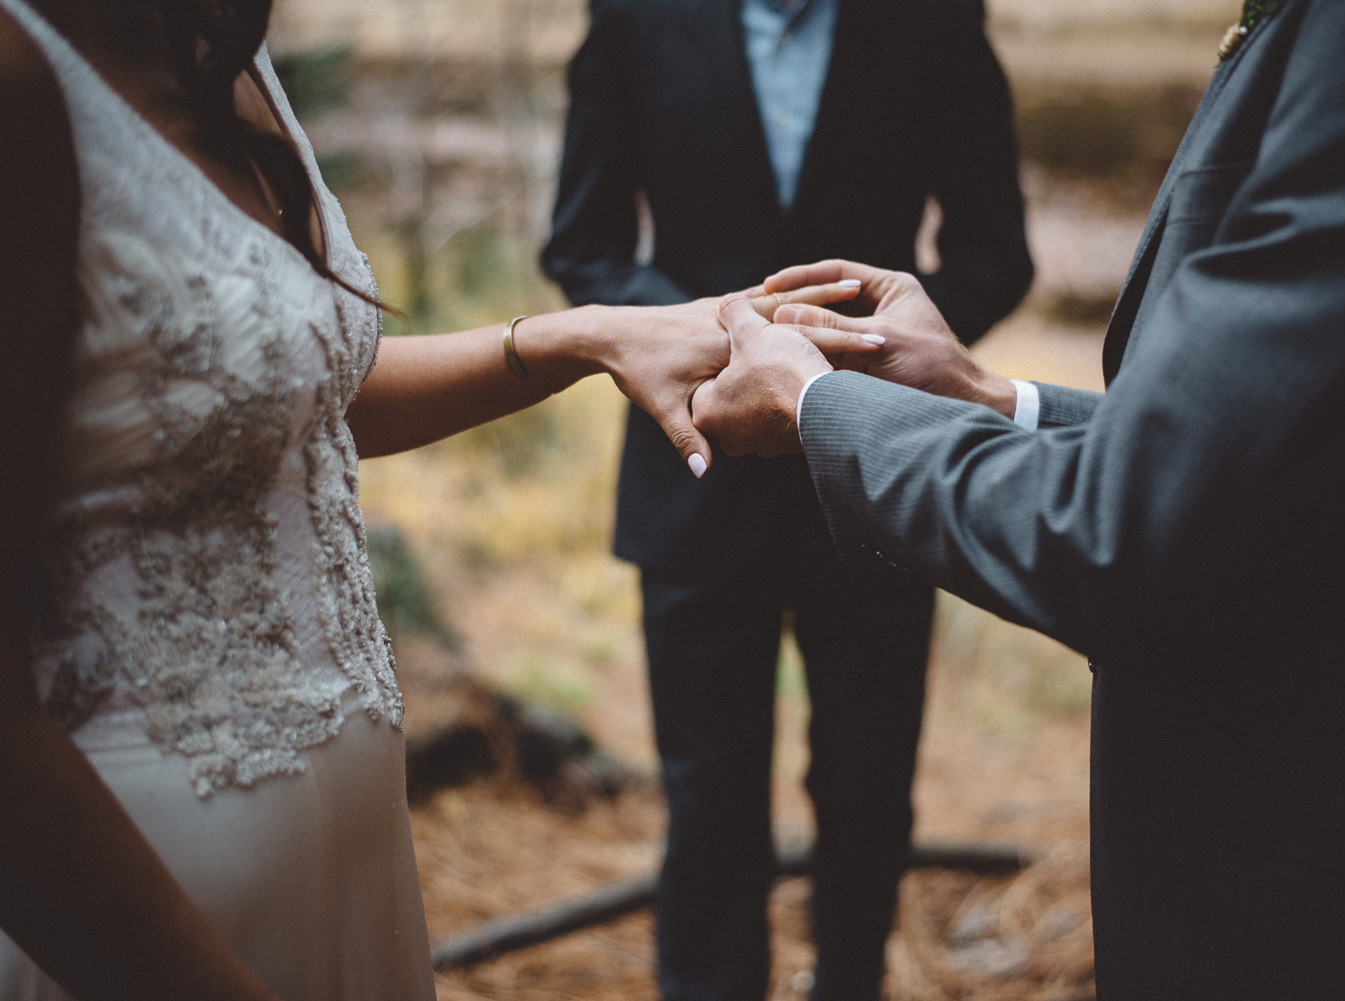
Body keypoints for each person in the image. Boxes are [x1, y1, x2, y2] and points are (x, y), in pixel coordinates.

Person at [0, 1, 873, 998]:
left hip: (352, 868)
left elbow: (290, 389)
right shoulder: (19, 79)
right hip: (148, 914)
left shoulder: (212, 52)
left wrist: (582, 337)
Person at [691, 0, 1345, 996]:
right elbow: (1265, 458)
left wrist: (817, 399)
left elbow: (1129, 529)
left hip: (1331, 921)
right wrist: (985, 397)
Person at [542, 2, 1030, 996]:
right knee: (708, 798)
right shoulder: (635, 18)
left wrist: (864, 364)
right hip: (696, 465)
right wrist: (709, 345)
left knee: (867, 790)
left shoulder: (935, 19)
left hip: (882, 470)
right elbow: (582, 243)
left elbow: (994, 251)